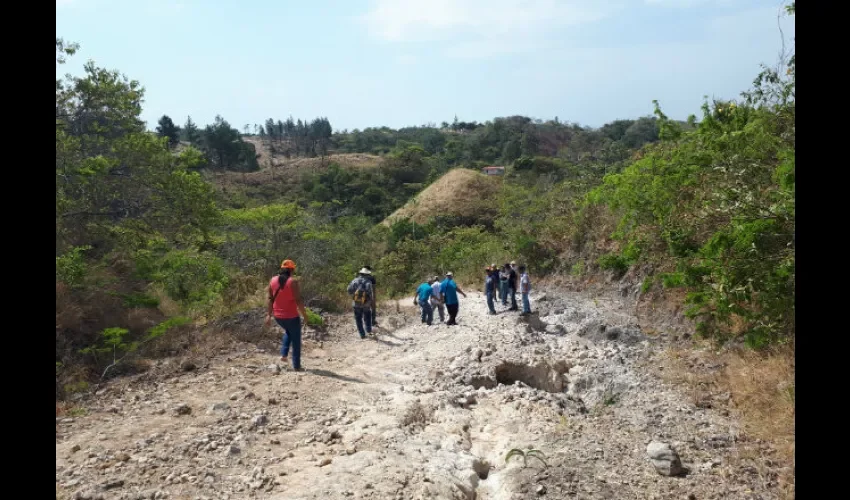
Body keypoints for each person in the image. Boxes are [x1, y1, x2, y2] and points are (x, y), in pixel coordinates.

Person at [264, 259, 309, 371]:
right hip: (292, 317)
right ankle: (297, 366)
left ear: (282, 269)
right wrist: (305, 315)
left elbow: (270, 298)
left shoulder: (273, 280)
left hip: (278, 317)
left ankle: (284, 355)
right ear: (292, 270)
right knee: (296, 341)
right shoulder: (293, 282)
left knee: (289, 331)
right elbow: (298, 301)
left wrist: (269, 315)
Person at [347, 268, 374, 339]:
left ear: (360, 273)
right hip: (366, 304)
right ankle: (369, 331)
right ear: (367, 274)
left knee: (358, 318)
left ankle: (362, 334)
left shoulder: (354, 280)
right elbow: (370, 293)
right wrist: (370, 302)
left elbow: (349, 290)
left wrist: (355, 294)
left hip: (356, 303)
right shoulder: (368, 282)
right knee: (367, 317)